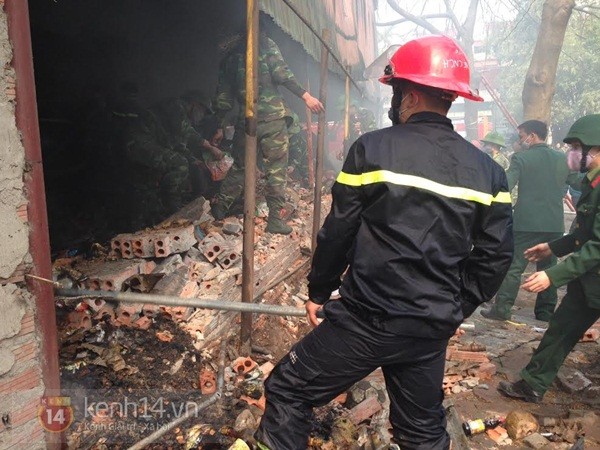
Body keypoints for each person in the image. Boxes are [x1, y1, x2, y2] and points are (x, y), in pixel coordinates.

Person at [255, 35, 513, 450]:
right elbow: (496, 256)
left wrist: (319, 291)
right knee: (422, 432)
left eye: (394, 93)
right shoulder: (488, 172)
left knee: (288, 390)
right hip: (428, 329)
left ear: (408, 98)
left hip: (366, 319)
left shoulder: (372, 149)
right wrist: (453, 307)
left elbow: (338, 230)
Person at [498, 114, 600, 403]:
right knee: (560, 330)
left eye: (578, 147)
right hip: (588, 279)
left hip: (593, 272)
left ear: (596, 149)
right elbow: (583, 235)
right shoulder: (592, 185)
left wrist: (552, 275)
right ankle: (532, 384)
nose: (572, 153)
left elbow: (598, 245)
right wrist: (552, 249)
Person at [211, 27, 323, 234]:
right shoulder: (265, 45)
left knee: (241, 167)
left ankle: (220, 208)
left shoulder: (231, 58)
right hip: (272, 120)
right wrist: (306, 96)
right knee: (276, 171)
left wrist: (219, 126)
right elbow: (282, 74)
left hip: (247, 121)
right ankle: (274, 220)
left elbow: (223, 98)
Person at [481, 120, 570, 322]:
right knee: (548, 268)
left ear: (532, 135)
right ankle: (545, 312)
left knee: (514, 266)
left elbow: (505, 186)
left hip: (526, 224)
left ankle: (502, 309)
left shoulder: (521, 158)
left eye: (521, 136)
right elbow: (576, 182)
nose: (520, 141)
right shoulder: (562, 158)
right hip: (554, 225)